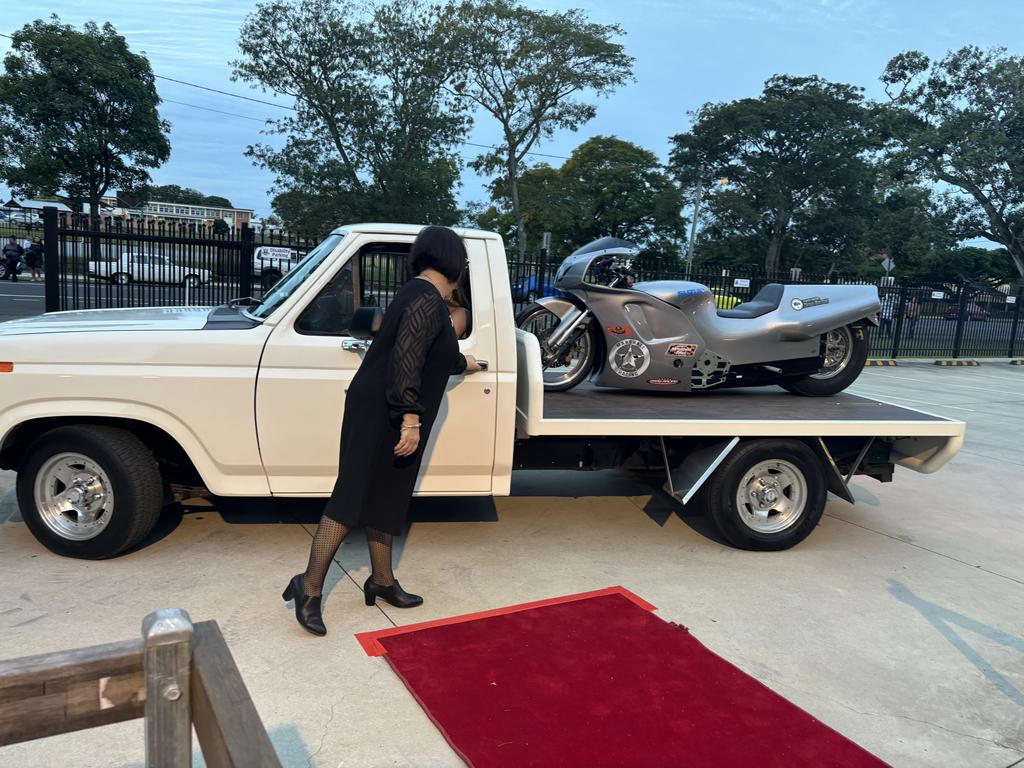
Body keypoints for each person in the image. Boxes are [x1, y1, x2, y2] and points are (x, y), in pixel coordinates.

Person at [283, 226, 482, 636]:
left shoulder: (420, 296)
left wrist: (465, 364)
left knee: (389, 498)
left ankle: (382, 581)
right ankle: (309, 586)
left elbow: (429, 355)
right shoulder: (426, 300)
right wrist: (410, 417)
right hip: (384, 413)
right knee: (351, 498)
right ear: (453, 261)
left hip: (386, 407)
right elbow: (406, 365)